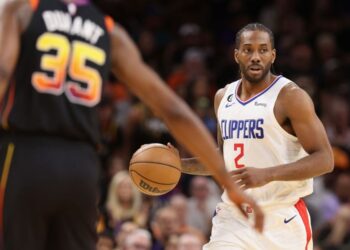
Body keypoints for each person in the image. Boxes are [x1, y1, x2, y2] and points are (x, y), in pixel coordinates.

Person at [0, 1, 263, 249]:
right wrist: (226, 181)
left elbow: (2, 74)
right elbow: (174, 110)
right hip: (81, 168)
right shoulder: (109, 30)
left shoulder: (23, 9)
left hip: (26, 156)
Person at [171, 23, 334, 249]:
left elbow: (325, 159)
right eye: (248, 49)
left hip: (281, 219)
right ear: (236, 55)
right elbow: (222, 160)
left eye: (263, 50)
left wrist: (268, 174)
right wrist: (178, 164)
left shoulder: (291, 97)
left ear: (273, 55)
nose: (255, 56)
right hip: (233, 217)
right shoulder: (222, 97)